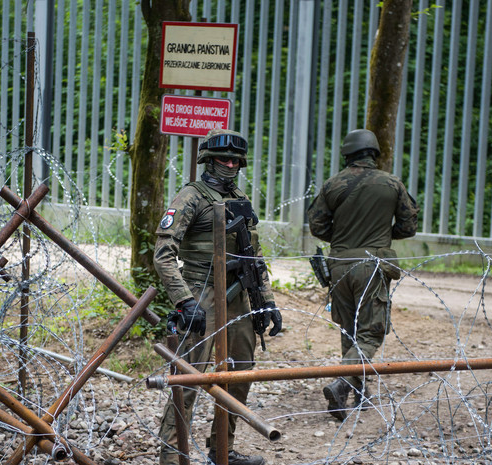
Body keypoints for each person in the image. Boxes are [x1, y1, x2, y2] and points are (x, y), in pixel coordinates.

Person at [153, 128, 282, 465]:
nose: (230, 163)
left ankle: (221, 449)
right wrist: (184, 299)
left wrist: (266, 300)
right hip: (202, 291)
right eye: (223, 158)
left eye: (236, 159)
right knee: (189, 377)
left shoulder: (240, 197)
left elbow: (254, 255)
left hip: (239, 294)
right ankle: (171, 453)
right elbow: (163, 253)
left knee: (239, 372)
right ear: (207, 160)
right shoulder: (191, 196)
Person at [307, 129, 418, 421]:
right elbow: (408, 226)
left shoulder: (333, 184)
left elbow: (317, 226)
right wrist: (381, 234)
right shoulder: (391, 183)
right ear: (374, 154)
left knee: (350, 328)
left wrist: (344, 236)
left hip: (339, 265)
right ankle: (344, 382)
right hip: (372, 264)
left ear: (347, 154)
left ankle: (358, 392)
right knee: (372, 331)